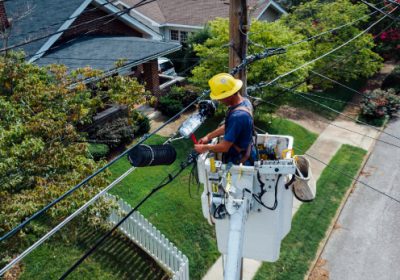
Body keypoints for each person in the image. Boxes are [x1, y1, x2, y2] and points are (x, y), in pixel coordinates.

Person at [194, 73, 256, 165]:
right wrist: (208, 136)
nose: (219, 100)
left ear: (229, 95)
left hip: (240, 160)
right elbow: (228, 126)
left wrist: (205, 147)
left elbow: (224, 147)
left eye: (220, 97)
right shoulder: (245, 102)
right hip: (247, 151)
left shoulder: (238, 117)